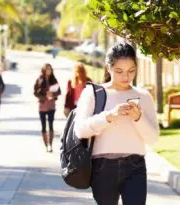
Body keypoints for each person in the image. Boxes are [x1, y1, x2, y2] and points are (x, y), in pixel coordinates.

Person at [74, 42, 159, 205]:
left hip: (135, 167)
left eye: (131, 71)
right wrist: (109, 116)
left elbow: (153, 138)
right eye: (119, 71)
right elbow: (80, 130)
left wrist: (138, 118)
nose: (126, 77)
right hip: (102, 168)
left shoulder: (144, 96)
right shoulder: (93, 93)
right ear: (108, 68)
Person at [34, 63, 61, 152]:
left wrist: (53, 95)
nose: (49, 70)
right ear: (44, 70)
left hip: (51, 105)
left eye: (50, 69)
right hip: (42, 105)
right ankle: (46, 145)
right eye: (47, 69)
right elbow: (35, 92)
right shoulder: (39, 79)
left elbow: (59, 91)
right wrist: (44, 95)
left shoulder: (54, 79)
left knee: (51, 125)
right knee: (43, 126)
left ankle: (50, 145)